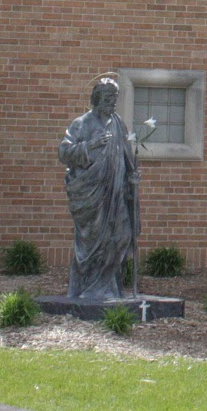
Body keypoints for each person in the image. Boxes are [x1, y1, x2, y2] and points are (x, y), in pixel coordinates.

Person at [59, 77, 139, 300]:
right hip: (91, 195)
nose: (112, 102)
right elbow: (64, 153)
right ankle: (90, 289)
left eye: (115, 97)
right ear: (97, 98)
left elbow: (127, 155)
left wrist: (132, 175)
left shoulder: (118, 123)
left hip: (116, 192)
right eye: (108, 97)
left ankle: (105, 287)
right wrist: (91, 145)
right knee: (92, 242)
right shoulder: (82, 124)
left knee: (121, 236)